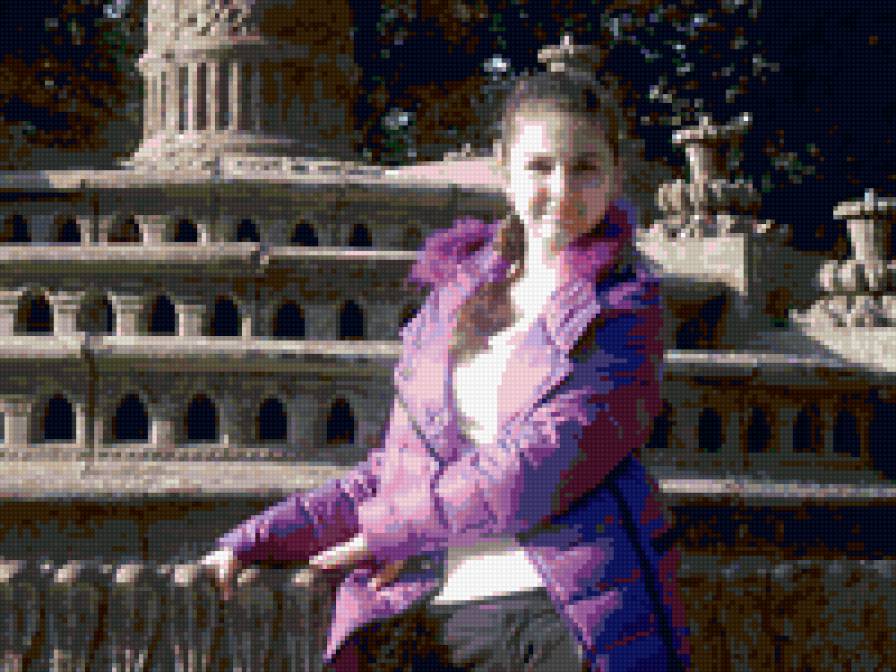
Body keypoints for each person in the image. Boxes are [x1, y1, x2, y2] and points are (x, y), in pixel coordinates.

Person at [201, 66, 692, 671]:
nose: (563, 189)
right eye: (540, 166)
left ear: (615, 176)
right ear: (504, 170)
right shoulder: (456, 298)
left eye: (585, 167)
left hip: (565, 618)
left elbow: (540, 460)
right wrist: (256, 540)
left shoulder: (625, 307)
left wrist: (389, 532)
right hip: (441, 620)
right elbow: (400, 468)